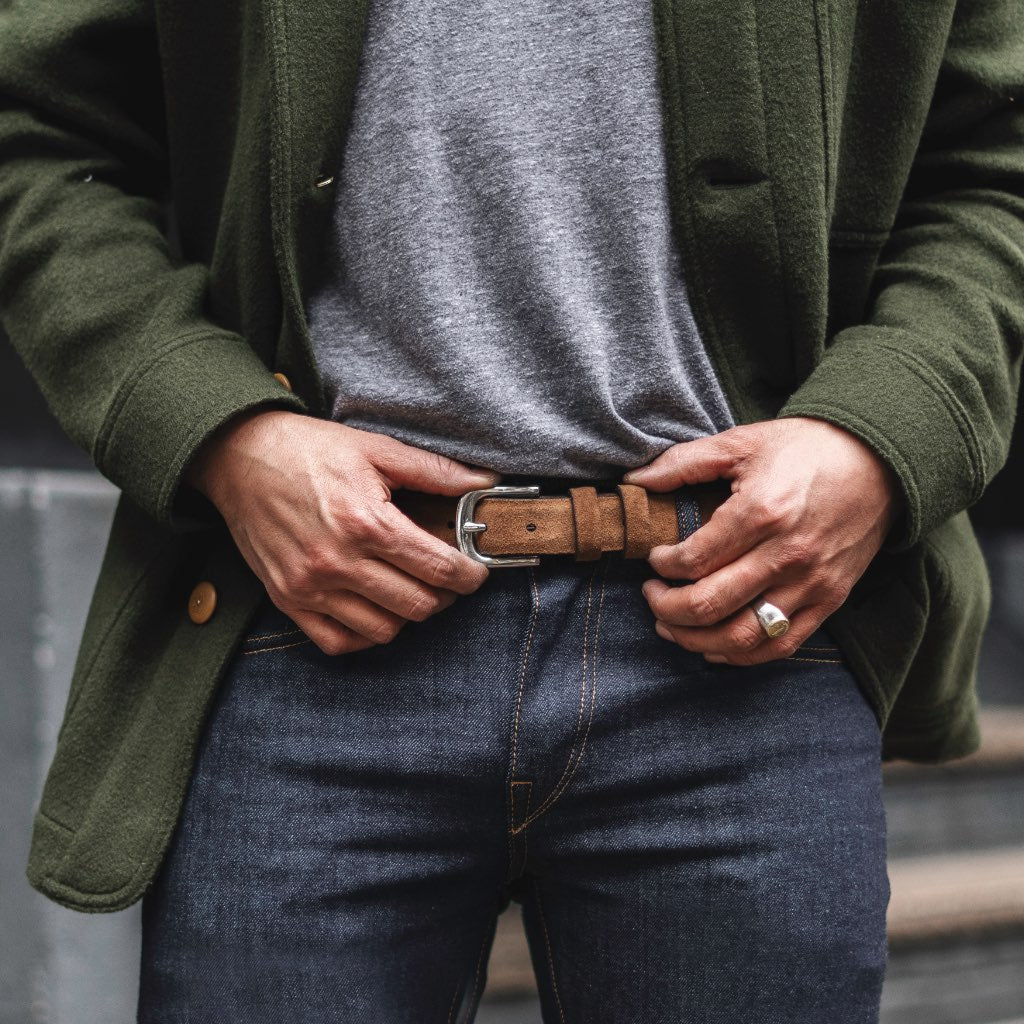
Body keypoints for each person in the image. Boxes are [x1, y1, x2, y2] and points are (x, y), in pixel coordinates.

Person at [0, 0, 1020, 1020]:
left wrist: (881, 432)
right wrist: (222, 430)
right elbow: (37, 135)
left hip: (741, 627)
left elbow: (994, 161)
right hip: (315, 618)